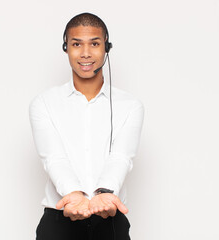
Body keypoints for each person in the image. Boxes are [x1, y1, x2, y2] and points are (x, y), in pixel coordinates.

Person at [29, 12, 144, 240]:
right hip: (58, 224)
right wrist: (73, 195)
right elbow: (53, 157)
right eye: (76, 44)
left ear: (106, 47)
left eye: (94, 43)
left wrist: (104, 193)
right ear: (66, 48)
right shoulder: (43, 103)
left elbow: (121, 156)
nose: (85, 53)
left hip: (110, 223)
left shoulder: (131, 106)